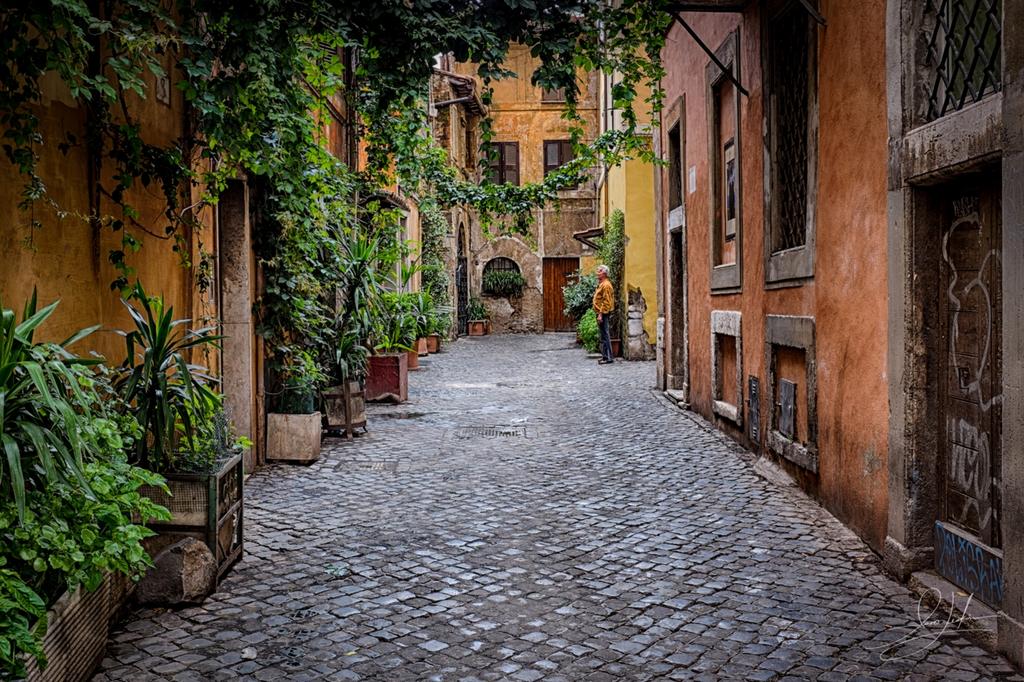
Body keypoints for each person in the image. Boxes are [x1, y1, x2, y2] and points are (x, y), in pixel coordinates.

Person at [592, 264, 615, 364]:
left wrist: (600, 314)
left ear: (605, 273)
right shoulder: (602, 284)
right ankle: (605, 357)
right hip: (600, 312)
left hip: (603, 313)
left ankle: (609, 357)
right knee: (603, 335)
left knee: (605, 335)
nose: (598, 272)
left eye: (600, 271)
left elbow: (606, 302)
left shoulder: (606, 285)